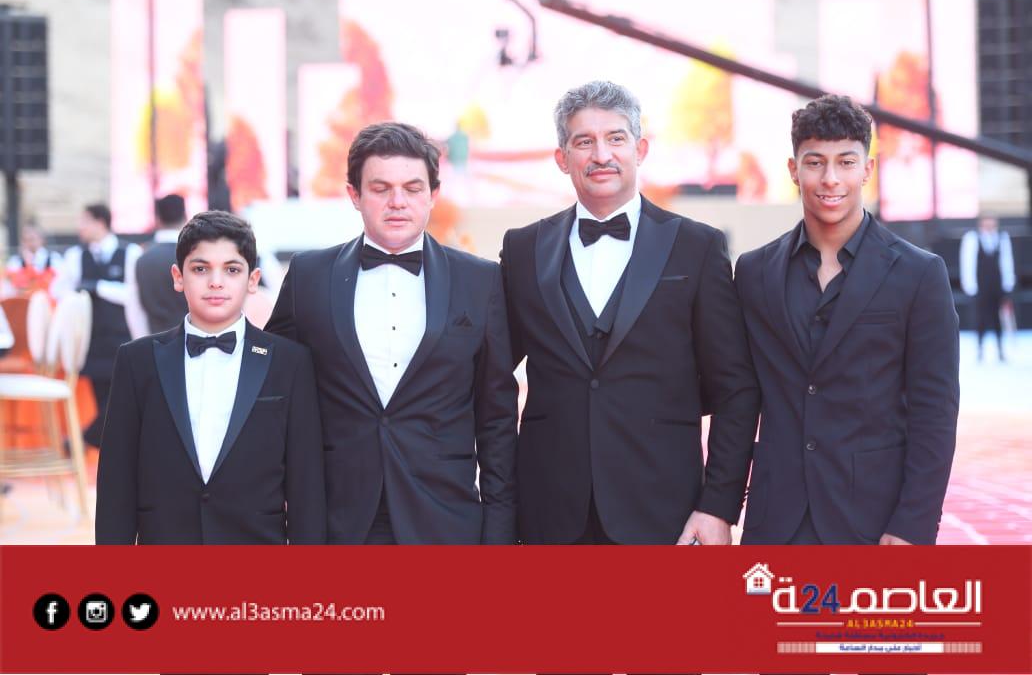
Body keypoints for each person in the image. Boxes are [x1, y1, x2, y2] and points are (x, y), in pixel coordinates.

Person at [500, 80, 759, 545]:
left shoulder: (697, 247)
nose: (601, 155)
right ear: (562, 158)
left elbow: (735, 390)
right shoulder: (522, 250)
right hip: (548, 515)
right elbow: (491, 378)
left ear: (640, 149)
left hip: (666, 515)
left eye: (615, 138)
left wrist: (718, 506)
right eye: (584, 142)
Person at [266, 121, 518, 545]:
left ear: (433, 195)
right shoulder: (308, 277)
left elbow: (497, 420)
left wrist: (499, 535)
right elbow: (274, 397)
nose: (397, 202)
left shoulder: (481, 281)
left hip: (446, 522)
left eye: (412, 188)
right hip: (336, 522)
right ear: (355, 195)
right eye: (381, 188)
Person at [735, 94, 960, 546]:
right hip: (775, 522)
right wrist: (719, 507)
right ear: (793, 170)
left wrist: (913, 525)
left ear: (867, 169)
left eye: (846, 162)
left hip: (874, 521)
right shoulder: (754, 271)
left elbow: (935, 412)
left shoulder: (919, 274)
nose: (830, 179)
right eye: (815, 162)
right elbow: (740, 399)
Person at [95, 211, 325, 544]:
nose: (216, 282)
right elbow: (117, 481)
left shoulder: (290, 362)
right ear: (178, 277)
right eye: (200, 269)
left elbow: (306, 485)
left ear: (253, 279)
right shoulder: (137, 361)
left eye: (232, 270)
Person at [51, 203, 148, 447]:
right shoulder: (75, 256)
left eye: (85, 221)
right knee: (102, 397)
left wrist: (99, 287)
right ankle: (104, 450)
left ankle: (85, 438)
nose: (80, 227)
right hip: (91, 339)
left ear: (100, 222)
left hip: (123, 337)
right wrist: (79, 293)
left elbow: (134, 294)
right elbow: (59, 289)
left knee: (124, 396)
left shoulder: (130, 253)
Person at [960, 213, 1016, 362]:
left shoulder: (1002, 238)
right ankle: (980, 349)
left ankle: (1000, 349)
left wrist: (1008, 282)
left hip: (997, 284)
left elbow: (1007, 261)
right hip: (980, 285)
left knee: (999, 318)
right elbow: (967, 262)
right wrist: (970, 285)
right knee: (980, 318)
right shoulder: (972, 238)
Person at [135, 194, 189, 335]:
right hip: (196, 340)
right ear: (185, 217)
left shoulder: (140, 256)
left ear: (157, 219)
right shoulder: (197, 254)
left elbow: (135, 309)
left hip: (155, 339)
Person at [3, 222, 62, 298]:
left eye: (32, 239)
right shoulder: (15, 262)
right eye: (25, 240)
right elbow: (12, 286)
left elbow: (58, 285)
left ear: (41, 240)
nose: (29, 243)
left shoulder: (54, 259)